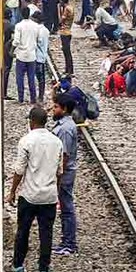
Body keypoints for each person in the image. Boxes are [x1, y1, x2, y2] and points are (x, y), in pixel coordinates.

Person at [9, 107, 63, 272]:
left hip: (29, 195)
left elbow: (19, 170)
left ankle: (18, 266)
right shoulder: (56, 142)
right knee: (46, 233)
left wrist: (12, 192)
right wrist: (56, 190)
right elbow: (59, 172)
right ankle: (43, 270)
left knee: (23, 231)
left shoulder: (26, 141)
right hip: (49, 196)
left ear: (31, 121)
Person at [50, 95, 79, 256]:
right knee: (65, 205)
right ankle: (66, 241)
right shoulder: (64, 125)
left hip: (65, 173)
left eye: (56, 107)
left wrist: (58, 177)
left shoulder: (66, 129)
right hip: (65, 172)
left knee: (67, 207)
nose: (53, 110)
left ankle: (69, 243)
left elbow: (64, 155)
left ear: (64, 109)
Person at [12, 8, 41, 104]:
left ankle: (21, 98)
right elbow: (38, 40)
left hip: (21, 55)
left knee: (20, 77)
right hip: (32, 55)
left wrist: (11, 50)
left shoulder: (18, 26)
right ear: (29, 14)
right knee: (31, 78)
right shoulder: (36, 26)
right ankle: (33, 98)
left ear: (21, 14)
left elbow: (16, 41)